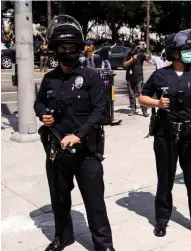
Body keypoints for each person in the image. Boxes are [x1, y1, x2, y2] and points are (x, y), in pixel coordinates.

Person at [33, 15, 115, 251]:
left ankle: (104, 245)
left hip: (85, 152)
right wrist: (43, 115)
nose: (66, 52)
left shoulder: (90, 77)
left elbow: (100, 112)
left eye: (71, 48)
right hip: (56, 151)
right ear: (55, 50)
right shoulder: (49, 79)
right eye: (62, 48)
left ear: (79, 49)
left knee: (94, 202)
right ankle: (63, 236)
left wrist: (78, 134)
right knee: (59, 199)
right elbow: (38, 103)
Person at [139, 28, 191, 239]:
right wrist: (157, 103)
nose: (190, 53)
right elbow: (142, 97)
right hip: (166, 134)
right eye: (186, 49)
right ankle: (162, 220)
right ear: (174, 53)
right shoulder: (161, 74)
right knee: (165, 179)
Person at [123, 43, 151, 116]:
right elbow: (124, 65)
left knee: (141, 94)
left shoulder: (140, 54)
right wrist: (132, 59)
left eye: (137, 48)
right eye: (135, 48)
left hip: (139, 78)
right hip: (129, 78)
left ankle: (144, 110)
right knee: (131, 95)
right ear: (132, 49)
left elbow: (147, 59)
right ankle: (133, 109)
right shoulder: (128, 55)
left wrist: (149, 56)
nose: (137, 49)